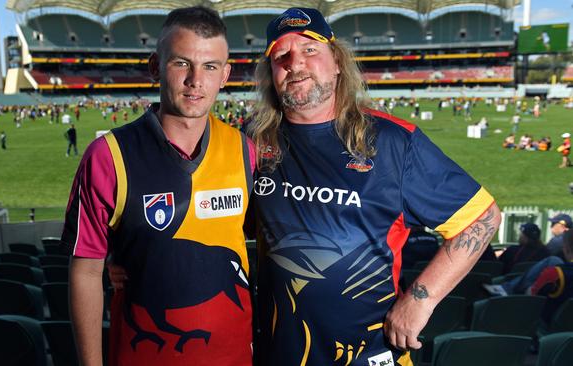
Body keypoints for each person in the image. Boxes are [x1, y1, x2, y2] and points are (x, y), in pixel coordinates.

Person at [248, 8, 501, 365]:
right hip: (280, 353)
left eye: (309, 50)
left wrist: (421, 299)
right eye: (281, 56)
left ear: (337, 62)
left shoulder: (393, 143)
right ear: (271, 72)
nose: (295, 63)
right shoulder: (253, 142)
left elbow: (482, 218)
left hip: (369, 352)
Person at [63, 7, 253, 366]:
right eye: (182, 63)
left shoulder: (245, 150)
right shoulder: (108, 157)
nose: (196, 80)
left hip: (235, 356)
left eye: (210, 66)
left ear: (225, 75)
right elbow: (85, 270)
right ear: (155, 67)